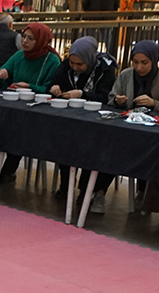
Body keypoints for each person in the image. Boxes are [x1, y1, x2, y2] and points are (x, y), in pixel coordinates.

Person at [50, 36, 119, 213]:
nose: (74, 67)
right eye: (72, 63)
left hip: (95, 120)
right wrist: (54, 88)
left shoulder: (105, 69)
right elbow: (52, 82)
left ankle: (84, 191)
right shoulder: (67, 65)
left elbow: (106, 97)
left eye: (79, 65)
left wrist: (82, 94)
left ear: (89, 59)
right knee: (66, 147)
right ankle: (65, 185)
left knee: (90, 152)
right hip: (70, 117)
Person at [110, 40, 159, 116]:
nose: (139, 67)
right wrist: (117, 101)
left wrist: (153, 103)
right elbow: (111, 98)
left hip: (155, 123)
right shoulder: (125, 75)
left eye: (144, 63)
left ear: (154, 61)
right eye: (135, 62)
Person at [0, 21, 63, 93]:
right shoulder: (20, 55)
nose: (25, 41)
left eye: (30, 38)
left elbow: (51, 90)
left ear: (40, 41)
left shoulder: (52, 60)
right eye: (24, 36)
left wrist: (30, 87)